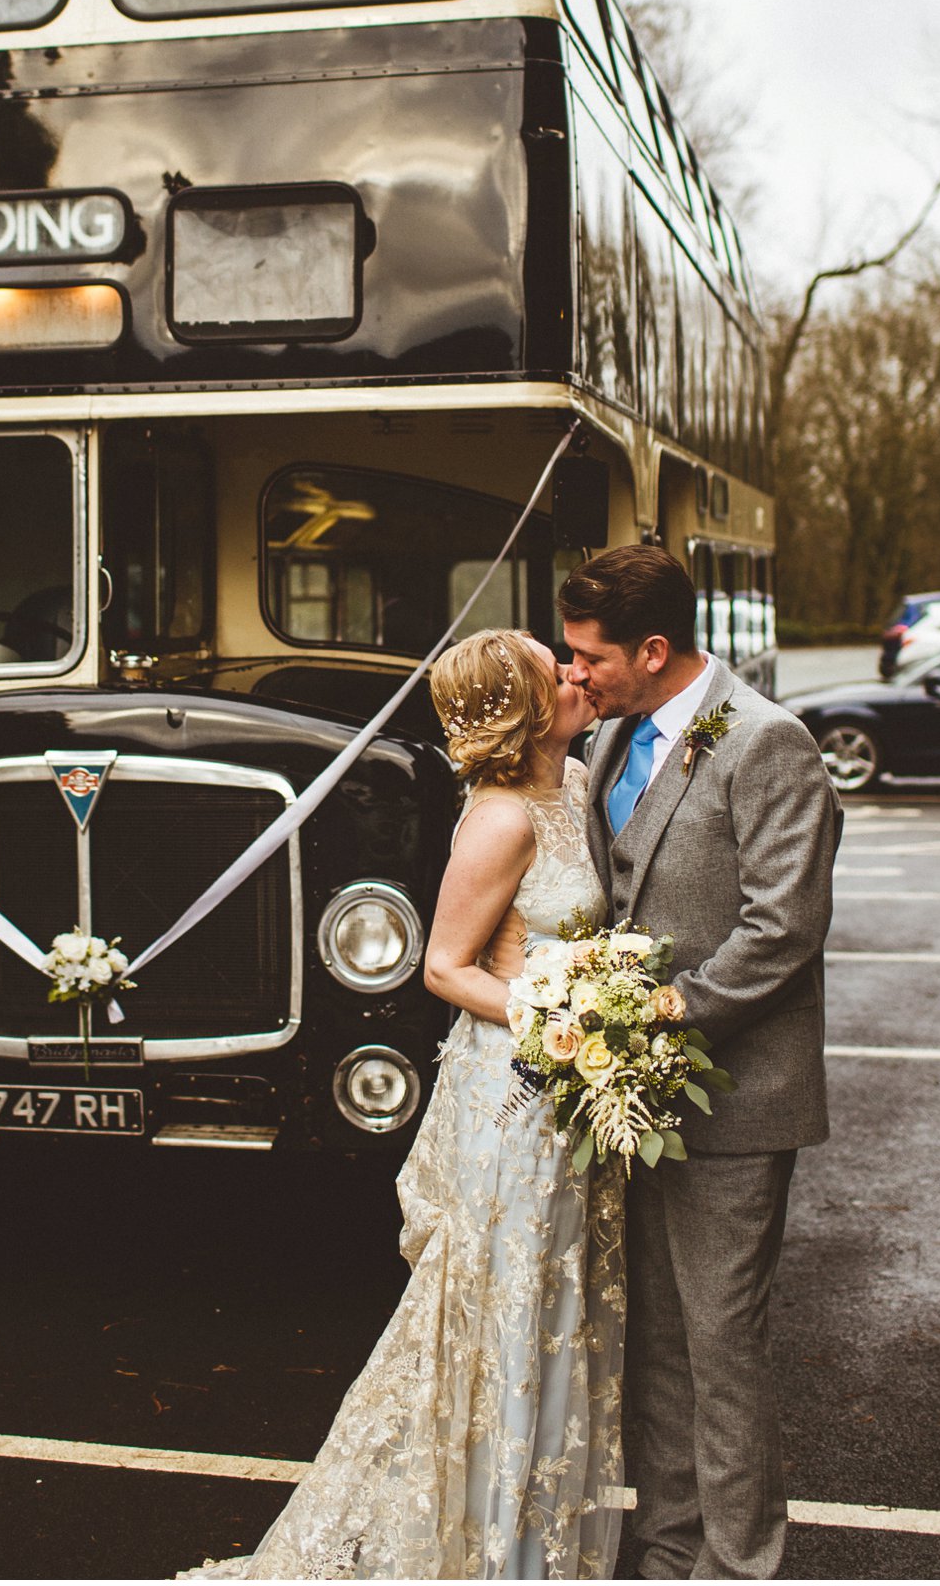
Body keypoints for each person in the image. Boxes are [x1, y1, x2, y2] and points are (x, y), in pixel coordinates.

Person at [181, 629, 625, 1582]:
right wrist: (568, 1020)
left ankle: (533, 1536)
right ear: (526, 707)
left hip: (562, 1092)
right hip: (513, 1093)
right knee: (501, 1307)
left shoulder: (578, 783)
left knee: (551, 1303)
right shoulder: (501, 820)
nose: (577, 677)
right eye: (559, 674)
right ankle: (479, 1550)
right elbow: (443, 968)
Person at [557, 546, 841, 1582]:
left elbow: (783, 927)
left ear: (655, 649)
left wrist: (658, 1022)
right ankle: (669, 1548)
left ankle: (739, 1565)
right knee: (659, 1347)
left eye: (590, 656)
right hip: (630, 1104)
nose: (574, 673)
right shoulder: (618, 731)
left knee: (724, 1348)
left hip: (735, 1101)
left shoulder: (770, 744)